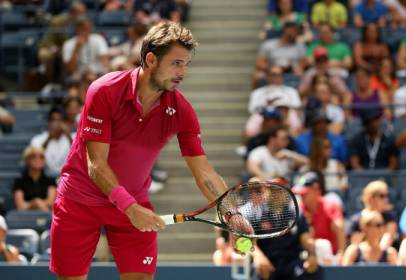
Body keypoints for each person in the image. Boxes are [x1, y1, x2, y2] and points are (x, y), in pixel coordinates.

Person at [50, 22, 250, 280]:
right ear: (151, 59)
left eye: (187, 64)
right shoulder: (104, 91)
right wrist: (130, 208)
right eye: (176, 63)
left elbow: (205, 174)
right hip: (80, 201)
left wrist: (231, 216)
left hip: (133, 203)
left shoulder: (182, 111)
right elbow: (96, 164)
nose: (183, 72)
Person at [291, 171, 346, 261]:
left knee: (323, 246)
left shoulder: (330, 206)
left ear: (316, 191)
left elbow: (339, 229)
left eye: (305, 193)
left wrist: (341, 254)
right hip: (308, 257)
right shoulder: (299, 210)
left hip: (332, 257)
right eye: (301, 194)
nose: (302, 196)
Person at [252, 213, 319, 280]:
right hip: (268, 265)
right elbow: (249, 240)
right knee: (258, 270)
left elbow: (306, 239)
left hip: (292, 264)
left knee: (315, 269)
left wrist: (312, 255)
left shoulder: (298, 215)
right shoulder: (257, 215)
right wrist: (257, 256)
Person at [347, 180, 398, 248]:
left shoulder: (390, 217)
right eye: (382, 196)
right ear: (370, 198)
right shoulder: (356, 220)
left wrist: (377, 254)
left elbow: (387, 241)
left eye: (387, 195)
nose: (386, 199)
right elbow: (355, 246)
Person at [30, 107, 73, 178]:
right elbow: (35, 157)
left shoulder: (72, 137)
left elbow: (79, 156)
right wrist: (49, 137)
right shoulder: (38, 139)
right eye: (53, 120)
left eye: (60, 120)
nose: (56, 124)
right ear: (48, 122)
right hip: (45, 179)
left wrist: (68, 135)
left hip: (67, 178)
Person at [12, 146, 57, 211]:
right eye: (33, 156)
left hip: (46, 212)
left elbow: (51, 203)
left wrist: (38, 203)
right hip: (25, 215)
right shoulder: (19, 181)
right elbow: (20, 206)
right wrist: (34, 203)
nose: (37, 159)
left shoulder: (50, 180)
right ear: (27, 159)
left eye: (41, 157)